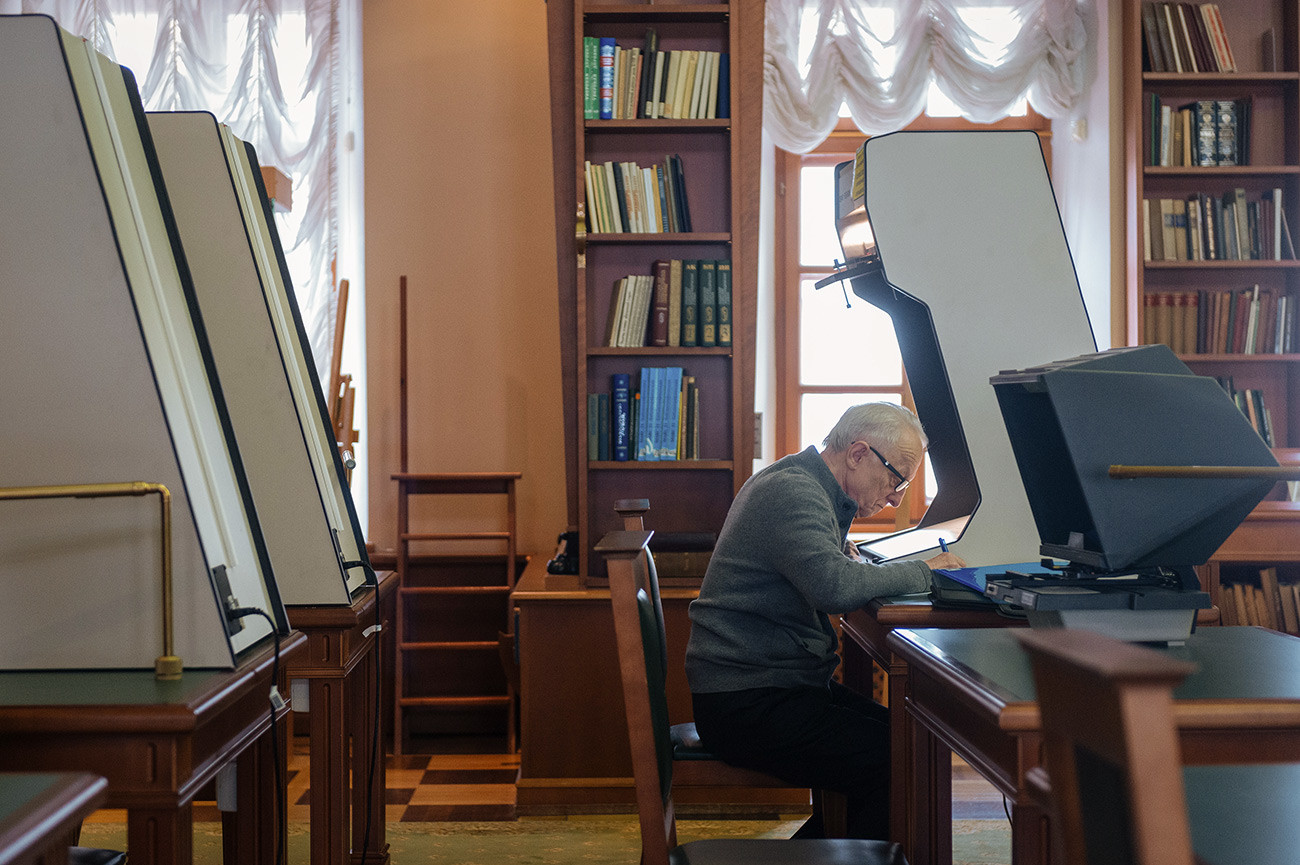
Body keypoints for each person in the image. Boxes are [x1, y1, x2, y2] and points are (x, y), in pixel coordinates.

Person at [684, 401, 965, 840]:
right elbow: (833, 587)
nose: (896, 496)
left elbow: (831, 572)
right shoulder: (794, 492)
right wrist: (929, 571)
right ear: (857, 454)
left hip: (771, 686)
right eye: (896, 479)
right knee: (899, 759)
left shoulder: (807, 485)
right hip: (747, 701)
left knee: (910, 742)